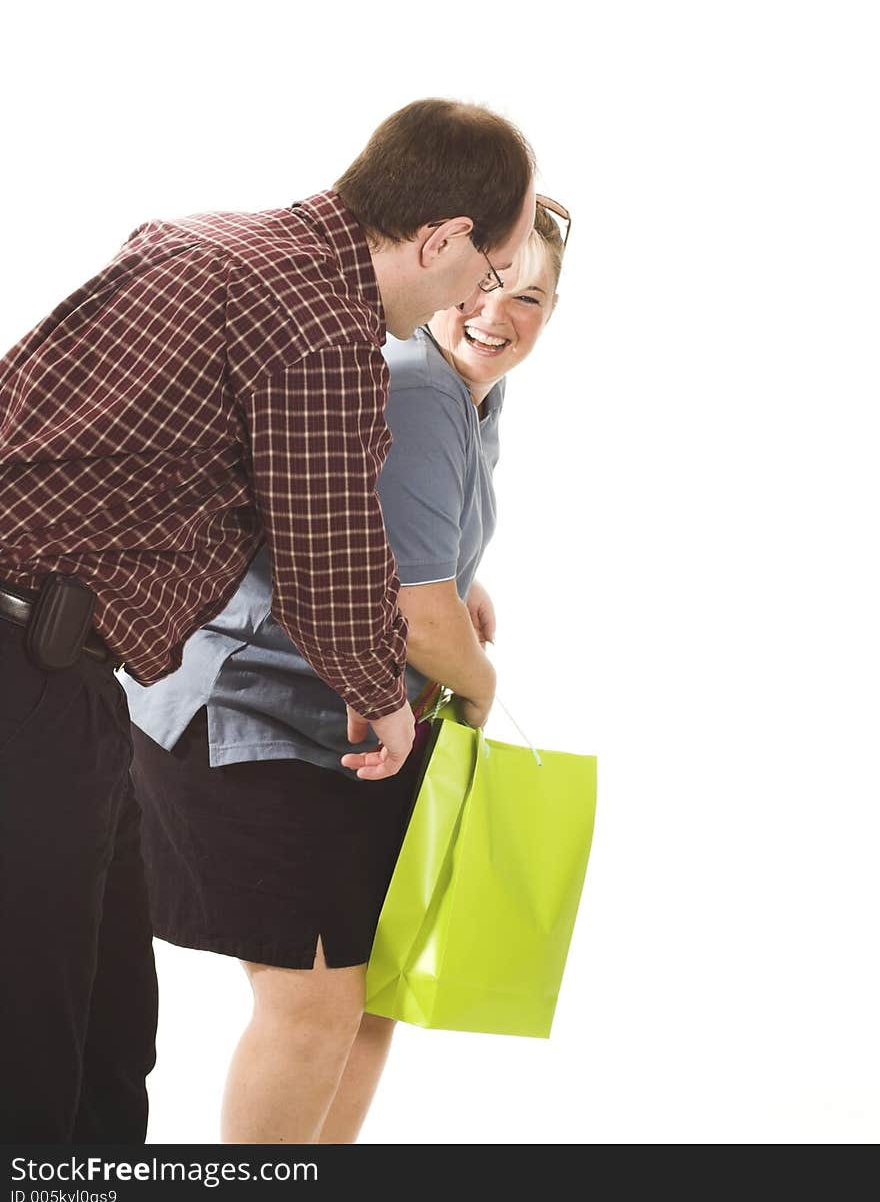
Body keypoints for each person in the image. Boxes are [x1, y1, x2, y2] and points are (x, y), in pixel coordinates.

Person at [0, 99, 537, 1143]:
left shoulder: (196, 236)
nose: (481, 296)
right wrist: (383, 698)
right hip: (25, 670)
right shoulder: (323, 325)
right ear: (440, 240)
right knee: (36, 1036)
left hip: (78, 678)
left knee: (107, 1027)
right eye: (484, 270)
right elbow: (328, 554)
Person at [122, 199, 569, 1144]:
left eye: (531, 298)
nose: (500, 315)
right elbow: (416, 615)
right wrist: (479, 684)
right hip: (255, 714)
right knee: (319, 1001)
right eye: (490, 285)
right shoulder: (416, 381)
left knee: (372, 997)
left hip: (351, 725)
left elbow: (396, 539)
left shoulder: (470, 388)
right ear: (451, 271)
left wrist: (463, 573)